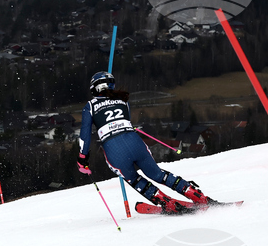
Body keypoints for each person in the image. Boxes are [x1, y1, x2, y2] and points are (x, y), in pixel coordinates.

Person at [77, 71, 210, 213]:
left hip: (114, 148)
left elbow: (85, 135)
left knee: (133, 179)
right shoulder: (123, 100)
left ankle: (165, 202)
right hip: (134, 141)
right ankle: (196, 195)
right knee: (158, 174)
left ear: (94, 88)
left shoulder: (90, 106)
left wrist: (82, 158)